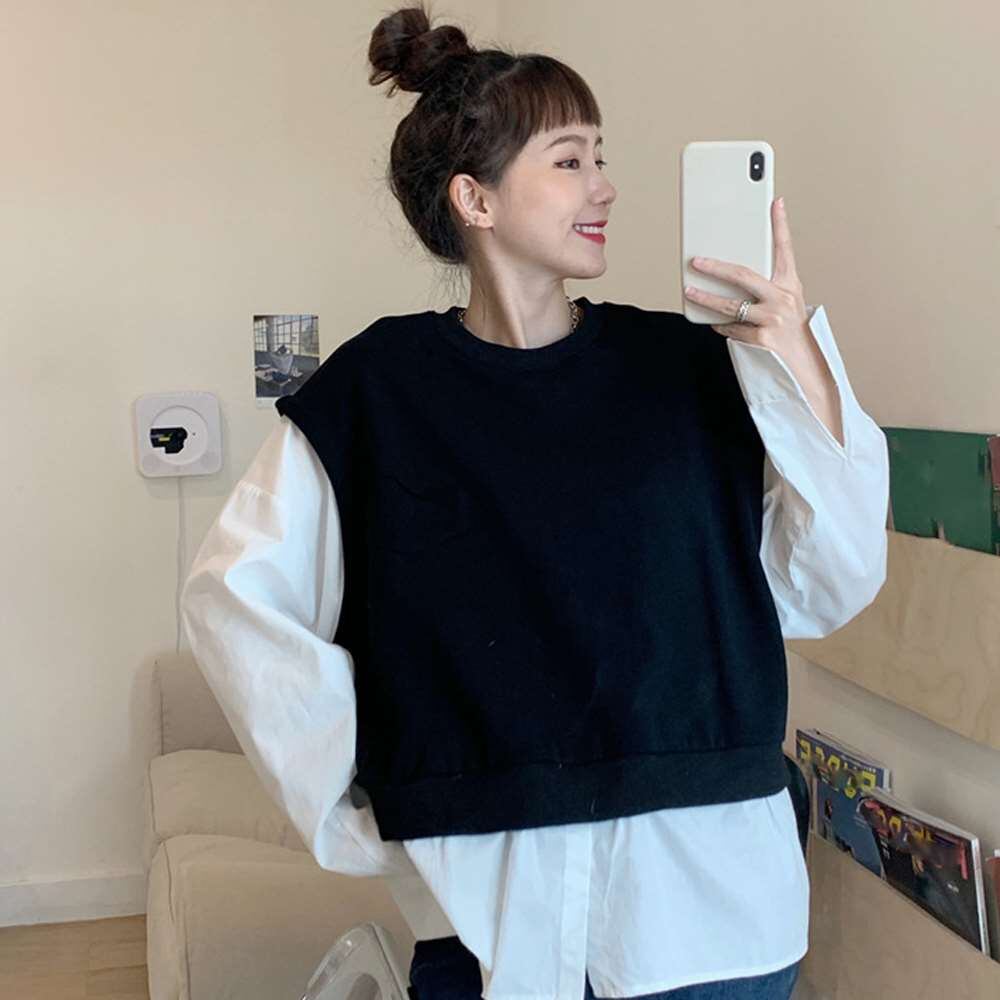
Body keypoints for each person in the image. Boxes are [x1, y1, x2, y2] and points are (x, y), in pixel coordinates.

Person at [180, 4, 891, 998]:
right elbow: (233, 598)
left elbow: (830, 583)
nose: (604, 185)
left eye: (601, 156)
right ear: (474, 197)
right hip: (488, 917)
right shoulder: (378, 392)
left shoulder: (693, 368)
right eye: (569, 160)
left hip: (711, 914)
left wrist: (796, 358)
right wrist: (349, 800)